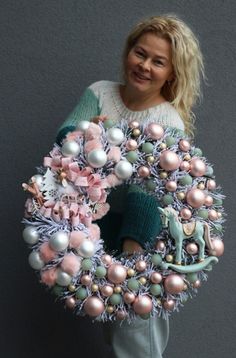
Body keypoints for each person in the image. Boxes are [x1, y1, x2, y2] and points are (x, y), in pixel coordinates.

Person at [56, 14, 204, 358]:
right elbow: (63, 139)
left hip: (142, 237)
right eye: (140, 53)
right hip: (93, 229)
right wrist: (83, 132)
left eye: (158, 61)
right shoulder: (99, 93)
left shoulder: (167, 120)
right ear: (128, 52)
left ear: (172, 73)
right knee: (114, 323)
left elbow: (150, 187)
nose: (145, 66)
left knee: (136, 329)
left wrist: (134, 248)